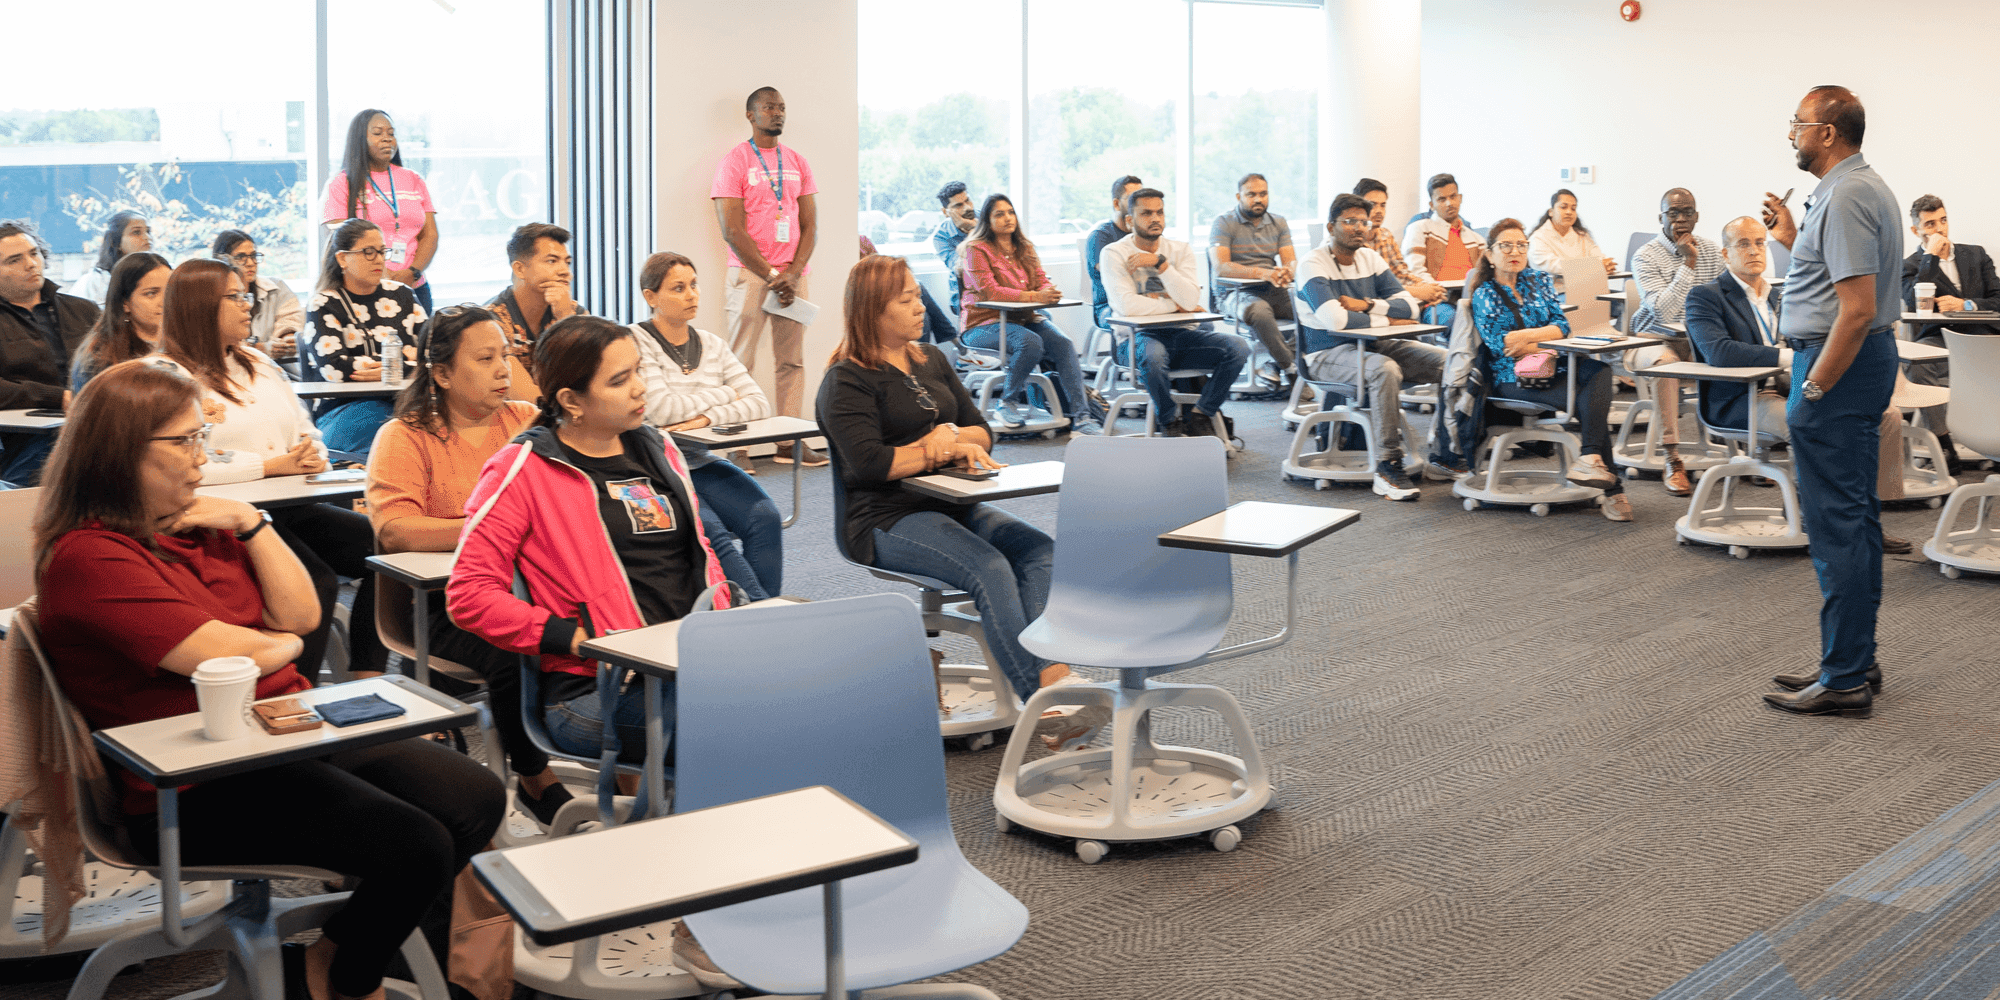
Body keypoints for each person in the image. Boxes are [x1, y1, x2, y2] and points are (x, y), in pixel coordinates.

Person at [33, 359, 503, 1000]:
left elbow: (305, 613)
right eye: (186, 440)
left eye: (204, 435)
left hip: (281, 734)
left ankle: (344, 952)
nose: (204, 455)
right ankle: (347, 980)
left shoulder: (199, 522)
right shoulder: (88, 557)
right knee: (415, 845)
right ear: (121, 453)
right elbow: (221, 656)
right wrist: (278, 647)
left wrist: (253, 523)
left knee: (473, 795)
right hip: (189, 782)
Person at [817, 254, 1109, 752]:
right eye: (905, 299)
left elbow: (983, 430)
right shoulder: (846, 380)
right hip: (884, 518)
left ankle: (1053, 678)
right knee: (990, 567)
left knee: (1041, 551)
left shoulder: (931, 360)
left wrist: (949, 440)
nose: (919, 306)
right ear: (872, 310)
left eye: (916, 295)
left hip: (955, 502)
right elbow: (867, 465)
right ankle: (1044, 699)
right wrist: (933, 448)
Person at [449, 315, 733, 770]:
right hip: (595, 687)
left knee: (810, 697)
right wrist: (573, 639)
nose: (640, 387)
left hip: (692, 662)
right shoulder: (522, 469)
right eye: (620, 380)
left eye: (639, 370)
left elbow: (699, 553)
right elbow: (468, 595)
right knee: (747, 725)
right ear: (570, 400)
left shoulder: (658, 449)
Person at [365, 304, 575, 826]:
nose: (503, 369)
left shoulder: (526, 421)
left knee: (603, 624)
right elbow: (395, 528)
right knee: (515, 648)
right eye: (485, 358)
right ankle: (535, 779)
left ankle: (623, 764)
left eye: (506, 354)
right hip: (439, 604)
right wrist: (491, 532)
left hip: (531, 586)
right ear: (440, 373)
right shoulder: (404, 436)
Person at [159, 257, 389, 680]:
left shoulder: (259, 363)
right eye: (234, 297)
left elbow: (306, 427)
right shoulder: (167, 376)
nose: (248, 305)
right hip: (218, 520)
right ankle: (290, 691)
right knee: (315, 581)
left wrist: (309, 453)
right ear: (199, 306)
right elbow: (180, 464)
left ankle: (366, 673)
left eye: (246, 295)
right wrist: (267, 466)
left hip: (290, 507)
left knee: (382, 544)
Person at [1757, 85, 1903, 718]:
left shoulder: (1844, 197)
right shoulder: (1858, 188)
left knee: (1835, 524)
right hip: (1858, 361)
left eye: (1798, 123)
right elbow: (1828, 280)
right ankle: (1853, 658)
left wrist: (1812, 387)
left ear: (1827, 133)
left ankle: (1843, 677)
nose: (1790, 133)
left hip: (1838, 364)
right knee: (1856, 516)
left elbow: (1857, 309)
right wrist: (1792, 237)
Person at [1685, 216, 1909, 551]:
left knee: (1885, 415)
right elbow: (1718, 351)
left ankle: (1867, 518)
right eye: (1743, 244)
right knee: (1810, 423)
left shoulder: (1782, 295)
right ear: (1725, 253)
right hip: (1743, 399)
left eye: (1760, 243)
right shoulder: (1706, 296)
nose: (1754, 250)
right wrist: (1787, 357)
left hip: (1796, 387)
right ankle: (1818, 517)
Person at [629, 251, 785, 601]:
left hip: (700, 460)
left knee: (766, 517)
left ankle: (759, 620)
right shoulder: (635, 341)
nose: (691, 295)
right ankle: (764, 615)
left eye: (694, 285)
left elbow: (758, 404)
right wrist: (726, 394)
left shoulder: (712, 344)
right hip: (656, 465)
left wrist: (705, 419)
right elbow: (661, 410)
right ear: (650, 297)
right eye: (678, 288)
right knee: (709, 530)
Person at [1467, 217, 1632, 521]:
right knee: (1588, 401)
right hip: (1511, 376)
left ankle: (1590, 457)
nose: (1514, 251)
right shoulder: (1484, 293)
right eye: (1505, 245)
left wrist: (1527, 337)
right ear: (1490, 254)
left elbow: (1565, 325)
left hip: (1554, 363)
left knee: (1598, 372)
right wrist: (1544, 339)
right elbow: (1502, 347)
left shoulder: (1538, 281)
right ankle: (1612, 489)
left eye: (1521, 245)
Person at [1296, 194, 1447, 502]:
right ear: (1331, 226)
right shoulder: (1312, 263)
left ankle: (1448, 453)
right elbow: (1336, 321)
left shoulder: (1371, 258)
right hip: (1325, 355)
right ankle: (1388, 465)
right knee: (1385, 370)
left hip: (1375, 346)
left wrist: (1366, 305)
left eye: (1363, 222)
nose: (1358, 228)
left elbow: (1410, 309)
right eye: (1349, 221)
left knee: (1451, 361)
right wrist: (1387, 317)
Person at [711, 86, 824, 467]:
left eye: (782, 108)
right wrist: (772, 274)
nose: (777, 113)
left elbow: (810, 226)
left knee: (791, 361)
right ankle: (737, 447)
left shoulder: (797, 162)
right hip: (750, 275)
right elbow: (731, 229)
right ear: (750, 114)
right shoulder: (735, 162)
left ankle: (789, 441)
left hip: (793, 278)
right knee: (740, 362)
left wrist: (791, 274)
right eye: (769, 107)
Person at [1099, 187, 1250, 444]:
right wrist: (1175, 305)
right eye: (1146, 213)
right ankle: (1169, 420)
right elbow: (1128, 307)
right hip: (1134, 340)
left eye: (1159, 212)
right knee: (1154, 354)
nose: (1155, 218)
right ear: (1129, 221)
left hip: (1180, 335)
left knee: (1238, 348)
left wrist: (1161, 264)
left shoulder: (1179, 250)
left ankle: (1202, 413)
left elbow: (1191, 300)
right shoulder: (1113, 253)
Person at [957, 194, 1097, 434]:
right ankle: (1007, 403)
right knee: (1030, 341)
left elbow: (1041, 280)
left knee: (1063, 343)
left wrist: (1047, 291)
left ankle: (1083, 418)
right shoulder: (975, 249)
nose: (1007, 218)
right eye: (999, 214)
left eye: (1010, 212)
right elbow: (990, 291)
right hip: (982, 325)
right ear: (987, 221)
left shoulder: (1025, 247)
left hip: (1024, 319)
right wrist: (1035, 297)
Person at [1628, 188, 1726, 497]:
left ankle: (1748, 450)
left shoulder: (1713, 251)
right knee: (1666, 364)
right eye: (1673, 214)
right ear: (1661, 218)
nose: (1681, 219)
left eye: (1687, 213)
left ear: (1697, 217)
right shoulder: (1645, 255)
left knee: (1739, 353)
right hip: (1651, 339)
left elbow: (1726, 301)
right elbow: (1662, 310)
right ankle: (1672, 457)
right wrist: (1688, 264)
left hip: (1697, 340)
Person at [305, 219, 427, 454]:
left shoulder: (403, 295)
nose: (380, 260)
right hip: (347, 409)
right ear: (342, 258)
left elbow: (433, 356)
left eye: (382, 251)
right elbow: (335, 369)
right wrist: (405, 360)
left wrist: (399, 368)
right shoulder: (324, 304)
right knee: (397, 436)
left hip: (407, 403)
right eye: (369, 252)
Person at [1900, 194, 1995, 470]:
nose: (1940, 229)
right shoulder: (1911, 265)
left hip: (1983, 336)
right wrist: (1930, 257)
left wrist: (1966, 304)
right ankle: (1945, 447)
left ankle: (1994, 444)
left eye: (1943, 221)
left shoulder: (1975, 254)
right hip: (1940, 338)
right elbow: (1912, 302)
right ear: (1916, 231)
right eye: (1930, 224)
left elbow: (1999, 298)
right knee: (1917, 369)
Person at [0, 220, 98, 484]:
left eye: (34, 253)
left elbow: (115, 365)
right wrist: (57, 397)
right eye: (14, 260)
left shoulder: (84, 310)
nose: (31, 264)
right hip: (27, 440)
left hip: (95, 423)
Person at [322, 109, 439, 314]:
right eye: (377, 133)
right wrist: (382, 274)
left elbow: (430, 235)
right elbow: (338, 240)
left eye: (391, 133)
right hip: (363, 291)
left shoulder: (413, 179)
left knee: (417, 347)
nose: (387, 139)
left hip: (414, 288)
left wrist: (411, 272)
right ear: (360, 139)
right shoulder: (341, 183)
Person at [1209, 173, 1297, 390]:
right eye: (1251, 194)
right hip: (1233, 294)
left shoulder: (1278, 222)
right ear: (1239, 196)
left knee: (1314, 309)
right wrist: (1263, 273)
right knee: (1259, 311)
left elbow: (1291, 261)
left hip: (1272, 289)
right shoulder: (1223, 222)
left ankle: (1274, 364)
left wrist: (1288, 272)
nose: (1258, 199)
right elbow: (1221, 266)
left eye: (1263, 194)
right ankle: (1293, 371)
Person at [1354, 178, 1449, 328]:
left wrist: (1429, 288)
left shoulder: (1385, 236)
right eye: (1372, 205)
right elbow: (1370, 289)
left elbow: (1402, 274)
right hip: (1370, 315)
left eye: (1383, 205)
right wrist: (1418, 292)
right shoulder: (1351, 242)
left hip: (1396, 308)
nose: (1379, 211)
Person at [70, 251, 170, 391]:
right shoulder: (99, 358)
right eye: (151, 293)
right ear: (125, 303)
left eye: (170, 291)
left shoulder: (185, 344)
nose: (165, 301)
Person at [213, 229, 303, 363]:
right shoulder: (215, 297)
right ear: (222, 260)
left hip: (283, 367)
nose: (250, 263)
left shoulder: (277, 287)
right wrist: (262, 348)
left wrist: (286, 339)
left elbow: (292, 319)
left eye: (254, 256)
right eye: (241, 257)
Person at [1085, 175, 1146, 331]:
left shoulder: (1147, 233)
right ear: (1116, 204)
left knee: (1200, 324)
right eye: (1132, 198)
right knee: (1139, 322)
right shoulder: (1099, 236)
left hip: (1147, 301)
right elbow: (1115, 273)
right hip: (1110, 306)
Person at [1402, 173, 1486, 285]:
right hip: (1436, 295)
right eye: (1442, 199)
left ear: (1460, 198)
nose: (1449, 203)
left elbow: (1485, 275)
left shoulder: (1477, 240)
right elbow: (1414, 270)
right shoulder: (1419, 228)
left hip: (1469, 295)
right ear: (1432, 205)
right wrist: (1436, 291)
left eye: (1453, 196)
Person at [1527, 189, 1618, 287]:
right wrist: (1595, 267)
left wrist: (1606, 264)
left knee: (1623, 300)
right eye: (1563, 207)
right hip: (1554, 294)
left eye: (1573, 208)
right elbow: (1554, 266)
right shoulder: (1538, 238)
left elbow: (1597, 256)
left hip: (1587, 289)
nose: (1569, 212)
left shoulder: (1581, 235)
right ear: (1551, 212)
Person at [67, 211, 151, 306]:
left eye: (148, 231)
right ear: (117, 242)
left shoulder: (160, 274)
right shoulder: (95, 282)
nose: (147, 237)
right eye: (136, 232)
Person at [931, 180, 977, 316]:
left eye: (968, 201)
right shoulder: (941, 237)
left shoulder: (987, 218)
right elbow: (963, 269)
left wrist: (977, 225)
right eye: (958, 205)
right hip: (964, 294)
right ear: (946, 212)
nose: (967, 208)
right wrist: (973, 231)